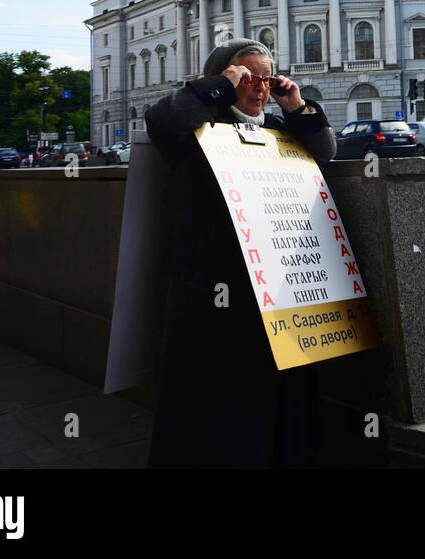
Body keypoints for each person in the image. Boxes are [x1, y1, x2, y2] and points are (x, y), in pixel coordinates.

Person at [144, 38, 336, 468]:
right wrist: (217, 86)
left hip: (277, 288)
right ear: (224, 78)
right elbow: (161, 121)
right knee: (220, 400)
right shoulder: (198, 127)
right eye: (248, 78)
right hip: (215, 288)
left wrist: (296, 105)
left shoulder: (277, 128)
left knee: (279, 396)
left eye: (266, 79)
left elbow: (325, 154)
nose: (259, 88)